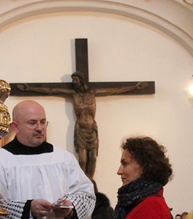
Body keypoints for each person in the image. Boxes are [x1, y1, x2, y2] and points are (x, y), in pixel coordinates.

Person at [12, 72, 148, 178]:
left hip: (92, 130)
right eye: (73, 81)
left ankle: (90, 181)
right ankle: (83, 178)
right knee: (82, 160)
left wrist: (135, 87)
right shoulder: (73, 95)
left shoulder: (92, 94)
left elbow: (113, 90)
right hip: (81, 130)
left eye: (76, 80)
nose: (75, 83)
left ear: (81, 80)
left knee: (93, 158)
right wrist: (30, 88)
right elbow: (51, 90)